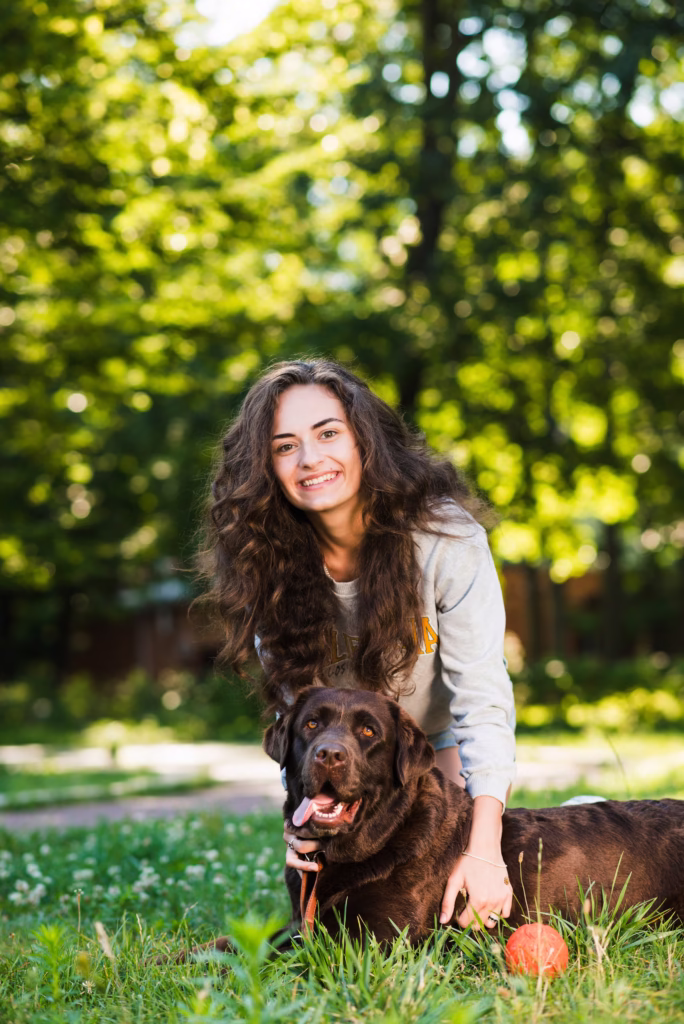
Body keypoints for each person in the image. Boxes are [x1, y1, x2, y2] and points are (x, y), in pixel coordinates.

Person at [200, 358, 516, 931]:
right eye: (284, 446)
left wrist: (485, 844)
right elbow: (299, 723)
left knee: (460, 899)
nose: (310, 459)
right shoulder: (267, 565)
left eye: (327, 433)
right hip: (345, 760)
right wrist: (303, 823)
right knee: (327, 917)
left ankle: (571, 818)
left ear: (363, 439)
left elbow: (483, 699)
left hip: (435, 746)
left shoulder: (446, 540)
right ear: (266, 468)